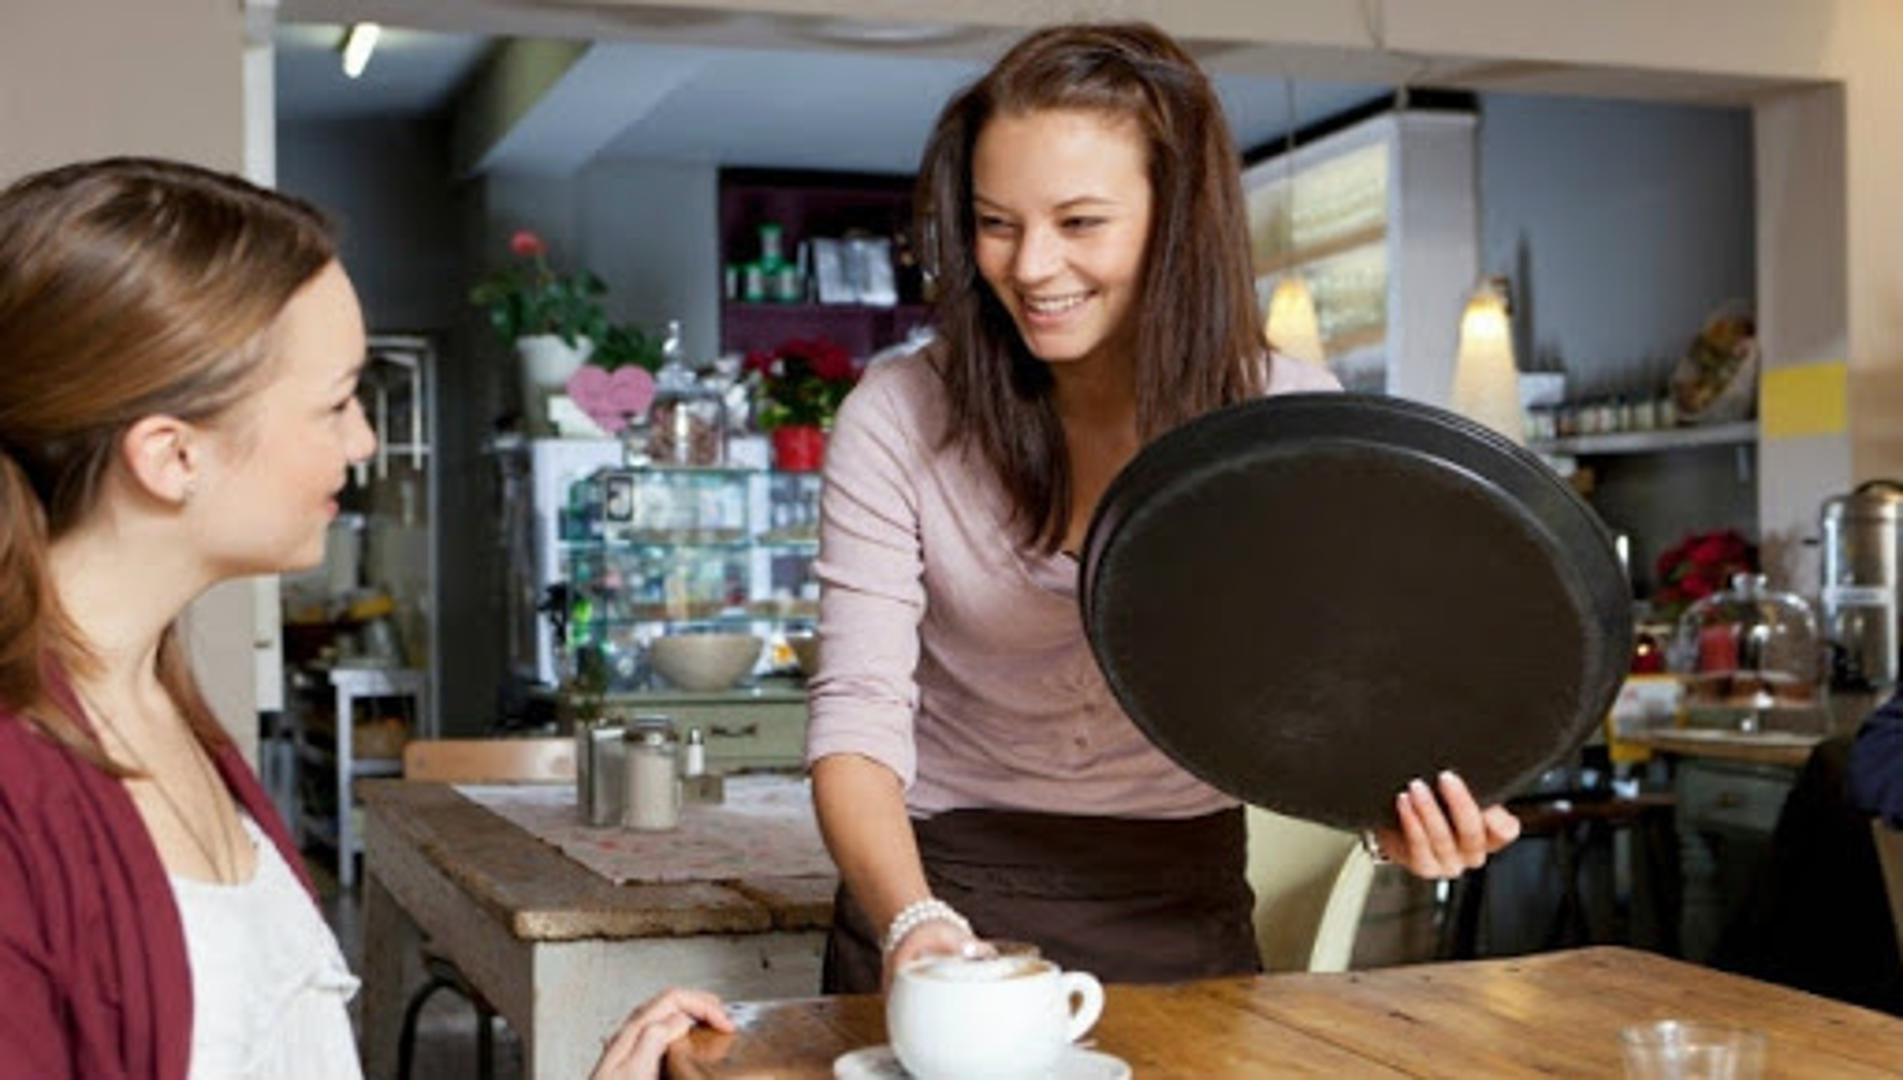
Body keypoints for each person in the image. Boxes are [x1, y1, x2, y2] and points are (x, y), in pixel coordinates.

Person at [805, 22, 1524, 994]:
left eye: (1079, 222)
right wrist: (912, 921)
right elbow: (856, 714)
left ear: (1175, 220)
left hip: (1178, 913)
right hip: (935, 898)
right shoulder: (900, 414)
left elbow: (1326, 684)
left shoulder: (1284, 420)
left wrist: (1388, 814)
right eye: (996, 222)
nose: (1030, 266)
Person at [0, 157, 715, 1080]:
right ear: (172, 455)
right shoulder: (22, 790)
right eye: (336, 403)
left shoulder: (158, 704)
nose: (364, 440)